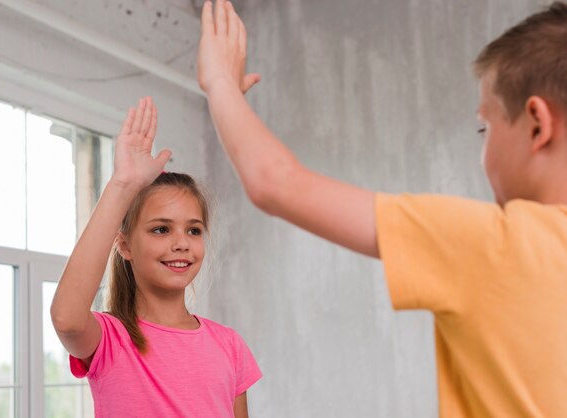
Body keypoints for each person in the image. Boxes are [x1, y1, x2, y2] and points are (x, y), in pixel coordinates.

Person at [196, 0, 567, 416]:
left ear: (537, 123)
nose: (483, 149)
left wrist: (220, 85)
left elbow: (275, 183)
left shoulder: (492, 241)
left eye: (486, 127)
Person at [50, 97, 262, 418]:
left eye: (193, 230)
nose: (181, 243)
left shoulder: (229, 346)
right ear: (125, 246)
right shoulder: (111, 340)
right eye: (161, 230)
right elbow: (66, 317)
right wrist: (123, 185)